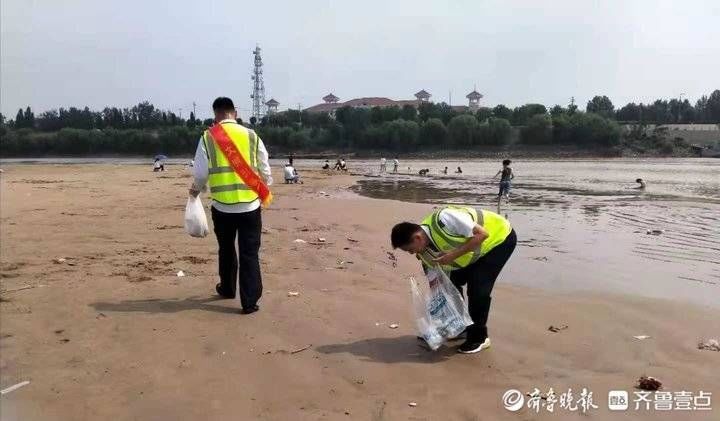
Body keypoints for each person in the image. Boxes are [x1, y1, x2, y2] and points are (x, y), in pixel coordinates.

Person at [391, 206, 516, 354]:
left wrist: (452, 255)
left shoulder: (446, 218)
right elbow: (436, 277)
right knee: (451, 284)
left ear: (417, 238)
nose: (412, 253)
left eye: (409, 249)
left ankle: (479, 338)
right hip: (472, 252)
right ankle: (459, 327)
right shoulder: (424, 248)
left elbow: (482, 234)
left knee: (478, 290)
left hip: (499, 239)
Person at [189, 97, 272, 315]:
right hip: (250, 207)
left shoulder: (208, 137)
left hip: (222, 208)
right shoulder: (251, 135)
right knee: (249, 253)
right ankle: (249, 301)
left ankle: (227, 289)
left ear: (215, 114)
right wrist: (263, 188)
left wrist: (196, 191)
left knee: (226, 250)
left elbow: (200, 173)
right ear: (234, 112)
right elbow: (265, 168)